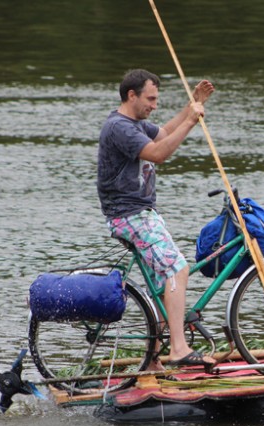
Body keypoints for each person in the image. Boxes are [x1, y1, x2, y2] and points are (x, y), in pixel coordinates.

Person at [97, 69, 216, 369]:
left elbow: (163, 133)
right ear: (131, 95)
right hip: (129, 215)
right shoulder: (120, 127)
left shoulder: (134, 124)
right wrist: (191, 121)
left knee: (166, 278)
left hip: (141, 213)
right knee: (177, 270)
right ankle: (177, 348)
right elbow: (159, 153)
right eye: (150, 99)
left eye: (156, 99)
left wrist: (191, 107)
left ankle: (151, 358)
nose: (154, 105)